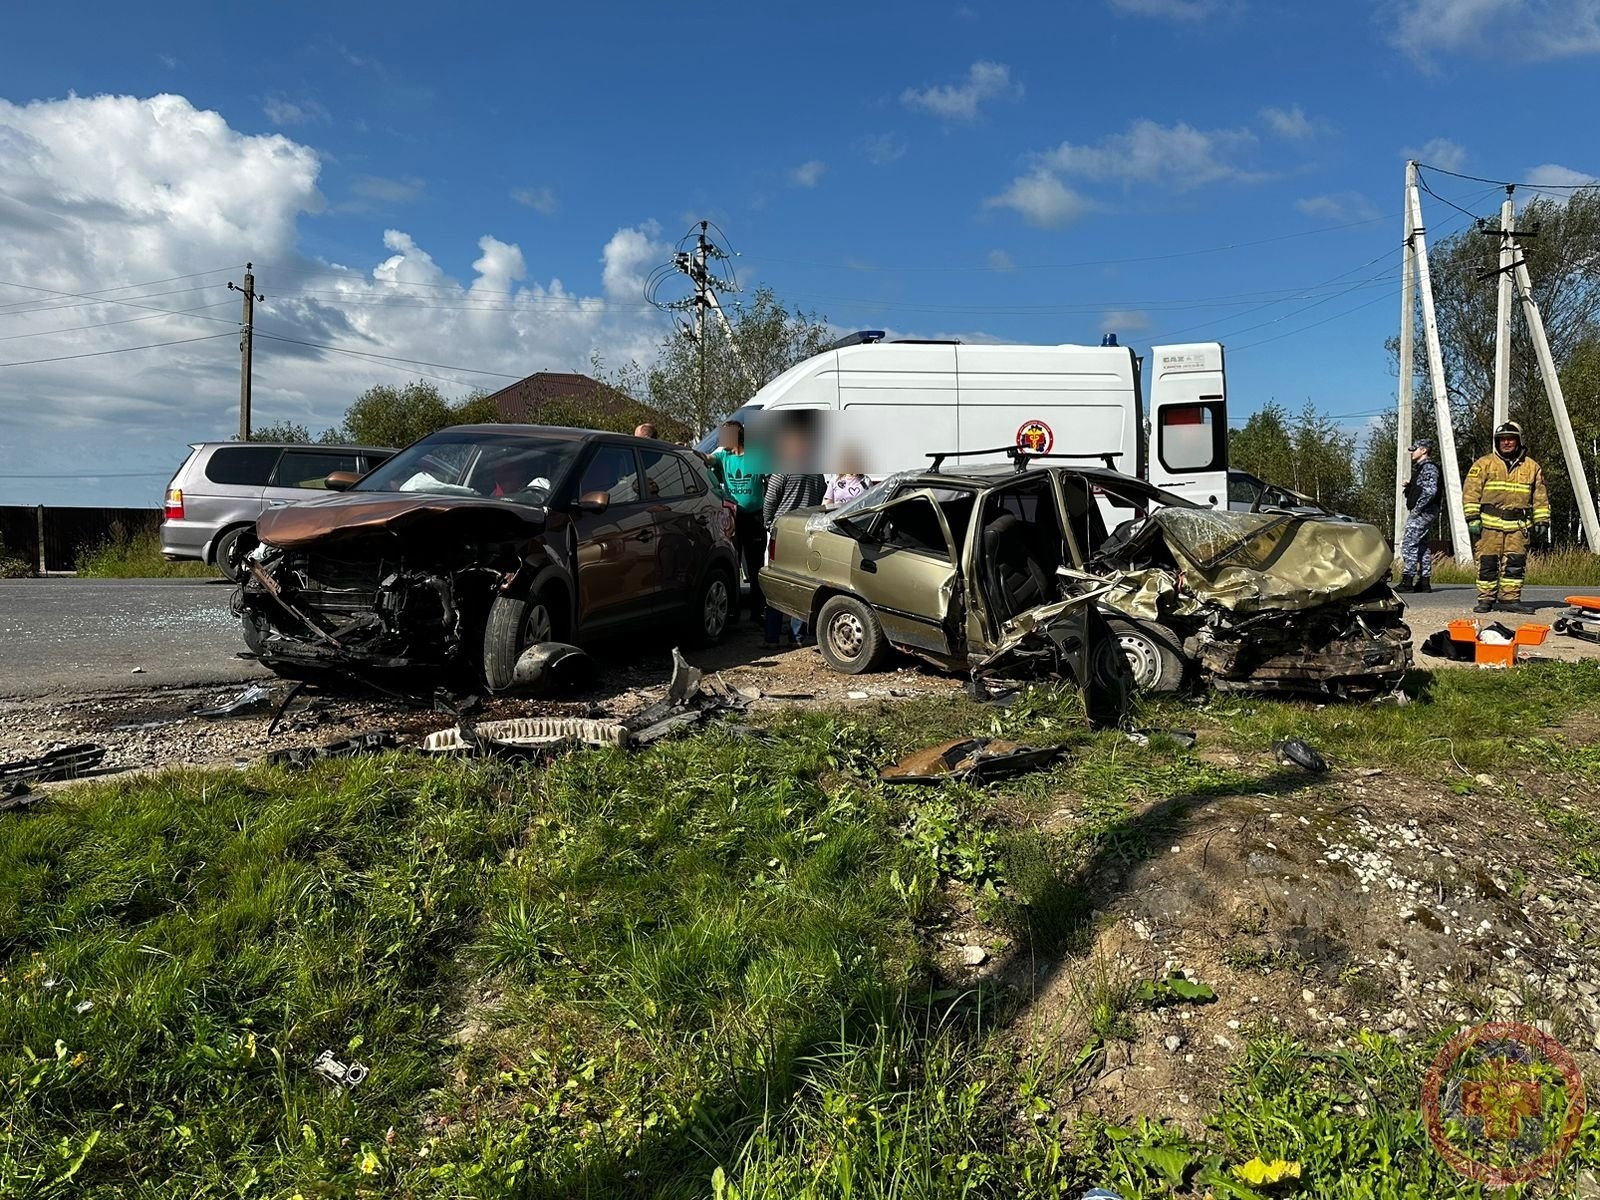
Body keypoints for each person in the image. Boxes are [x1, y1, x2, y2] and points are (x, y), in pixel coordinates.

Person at [1461, 420, 1550, 614]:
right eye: (1502, 440)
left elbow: (1540, 496)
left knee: (1515, 564)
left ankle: (1510, 599)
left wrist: (1542, 519)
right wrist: (1472, 517)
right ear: (1496, 442)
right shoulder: (1484, 464)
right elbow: (1470, 492)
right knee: (1487, 563)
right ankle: (1486, 599)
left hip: (1518, 526)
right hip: (1489, 526)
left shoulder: (1532, 467)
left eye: (1510, 439)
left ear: (1518, 441)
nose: (1506, 443)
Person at [762, 429, 826, 646]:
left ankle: (771, 637)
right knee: (800, 583)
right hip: (807, 531)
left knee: (776, 582)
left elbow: (770, 499)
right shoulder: (816, 472)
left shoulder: (783, 470)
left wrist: (769, 524)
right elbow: (820, 500)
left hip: (783, 531)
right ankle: (797, 637)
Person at [710, 420, 769, 621]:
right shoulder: (723, 457)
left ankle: (757, 611)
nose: (721, 440)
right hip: (733, 517)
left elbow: (771, 481)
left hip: (754, 517)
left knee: (755, 567)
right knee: (733, 564)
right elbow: (708, 459)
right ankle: (732, 612)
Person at [1398, 438, 1441, 592]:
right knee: (1422, 546)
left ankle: (1407, 580)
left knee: (1409, 544)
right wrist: (1410, 486)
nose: (1412, 452)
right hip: (1427, 511)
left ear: (1423, 450)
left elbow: (1430, 492)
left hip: (1424, 512)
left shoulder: (1428, 468)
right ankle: (1424, 582)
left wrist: (1417, 509)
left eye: (1414, 449)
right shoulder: (1423, 468)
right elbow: (1424, 488)